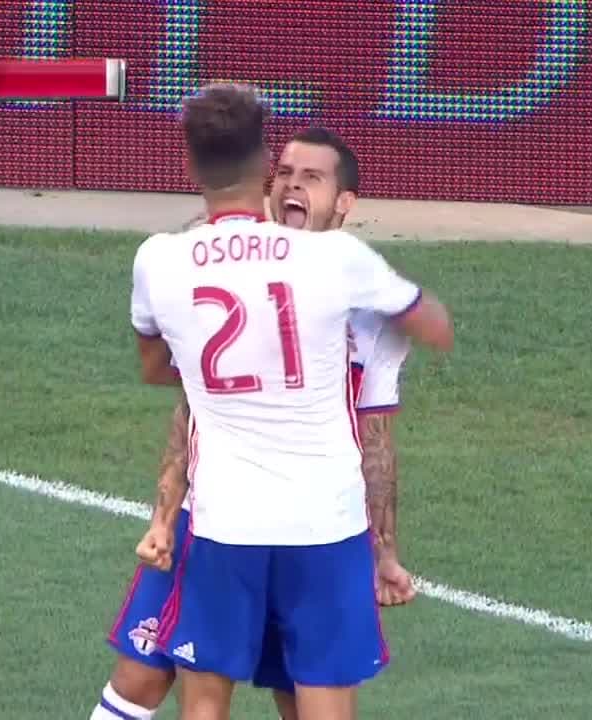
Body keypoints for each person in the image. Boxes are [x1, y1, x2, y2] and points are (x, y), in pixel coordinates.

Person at [130, 84, 452, 720]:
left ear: (191, 167)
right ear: (264, 167)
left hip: (225, 520)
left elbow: (156, 369)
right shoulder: (336, 258)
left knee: (204, 701)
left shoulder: (159, 261)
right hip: (326, 522)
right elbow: (431, 323)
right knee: (321, 701)